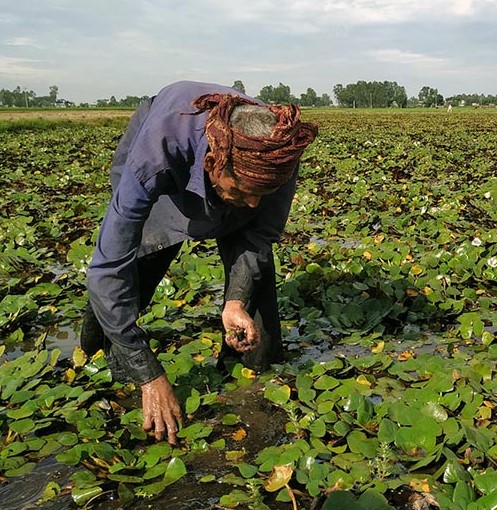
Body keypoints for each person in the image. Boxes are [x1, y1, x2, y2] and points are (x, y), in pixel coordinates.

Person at [80, 80, 318, 445]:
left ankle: (249, 379)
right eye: (242, 191)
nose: (254, 204)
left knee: (256, 288)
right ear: (213, 163)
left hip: (243, 167)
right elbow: (107, 266)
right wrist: (150, 376)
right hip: (168, 155)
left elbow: (258, 235)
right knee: (140, 257)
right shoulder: (155, 155)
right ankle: (99, 357)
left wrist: (235, 301)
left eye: (262, 194)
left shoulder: (276, 154)